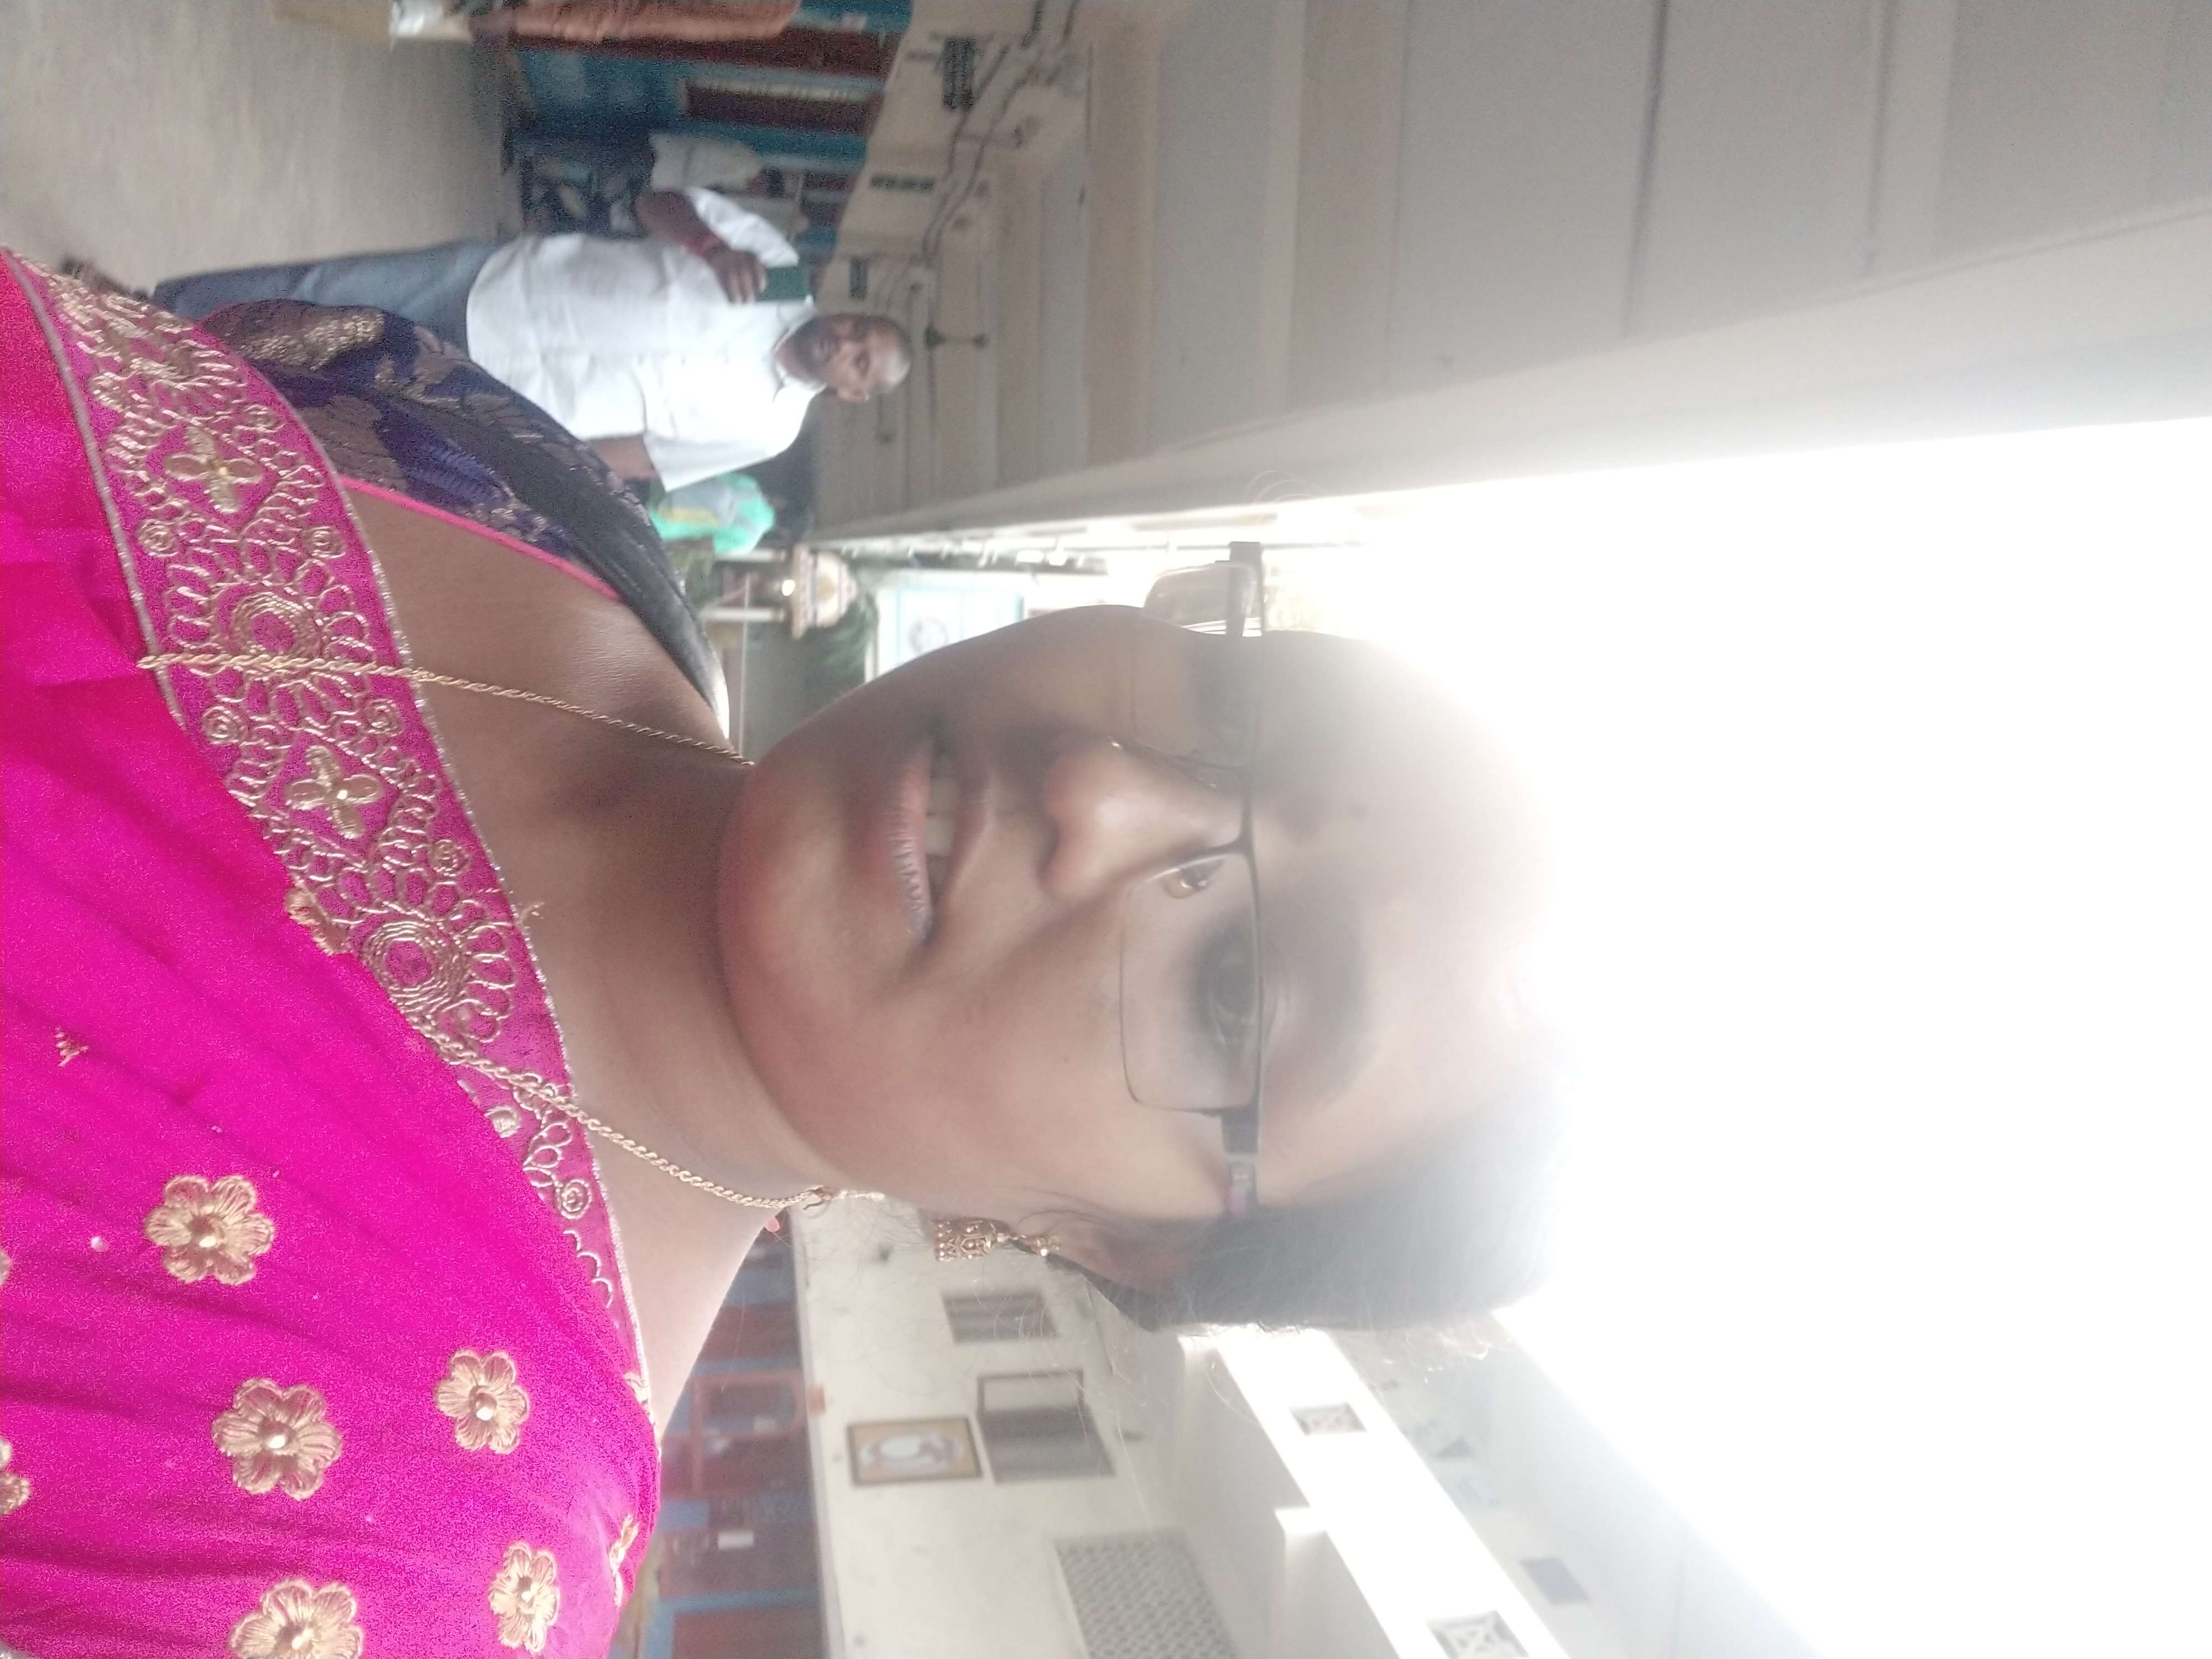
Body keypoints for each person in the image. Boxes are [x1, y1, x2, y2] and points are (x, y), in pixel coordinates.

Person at [0, 261, 1557, 1656]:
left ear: (1117, 1244)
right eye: (1231, 708)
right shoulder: (525, 492)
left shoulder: (402, 1552)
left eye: (1230, 992)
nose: (1099, 793)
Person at [146, 187, 914, 488]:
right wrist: (711, 247)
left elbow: (642, 457)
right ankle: (160, 313)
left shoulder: (770, 430)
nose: (846, 343)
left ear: (853, 393)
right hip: (504, 286)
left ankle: (188, 382)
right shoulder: (776, 269)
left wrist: (518, 454)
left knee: (339, 386)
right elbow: (657, 202)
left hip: (498, 392)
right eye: (859, 329)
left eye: (861, 361)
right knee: (322, 289)